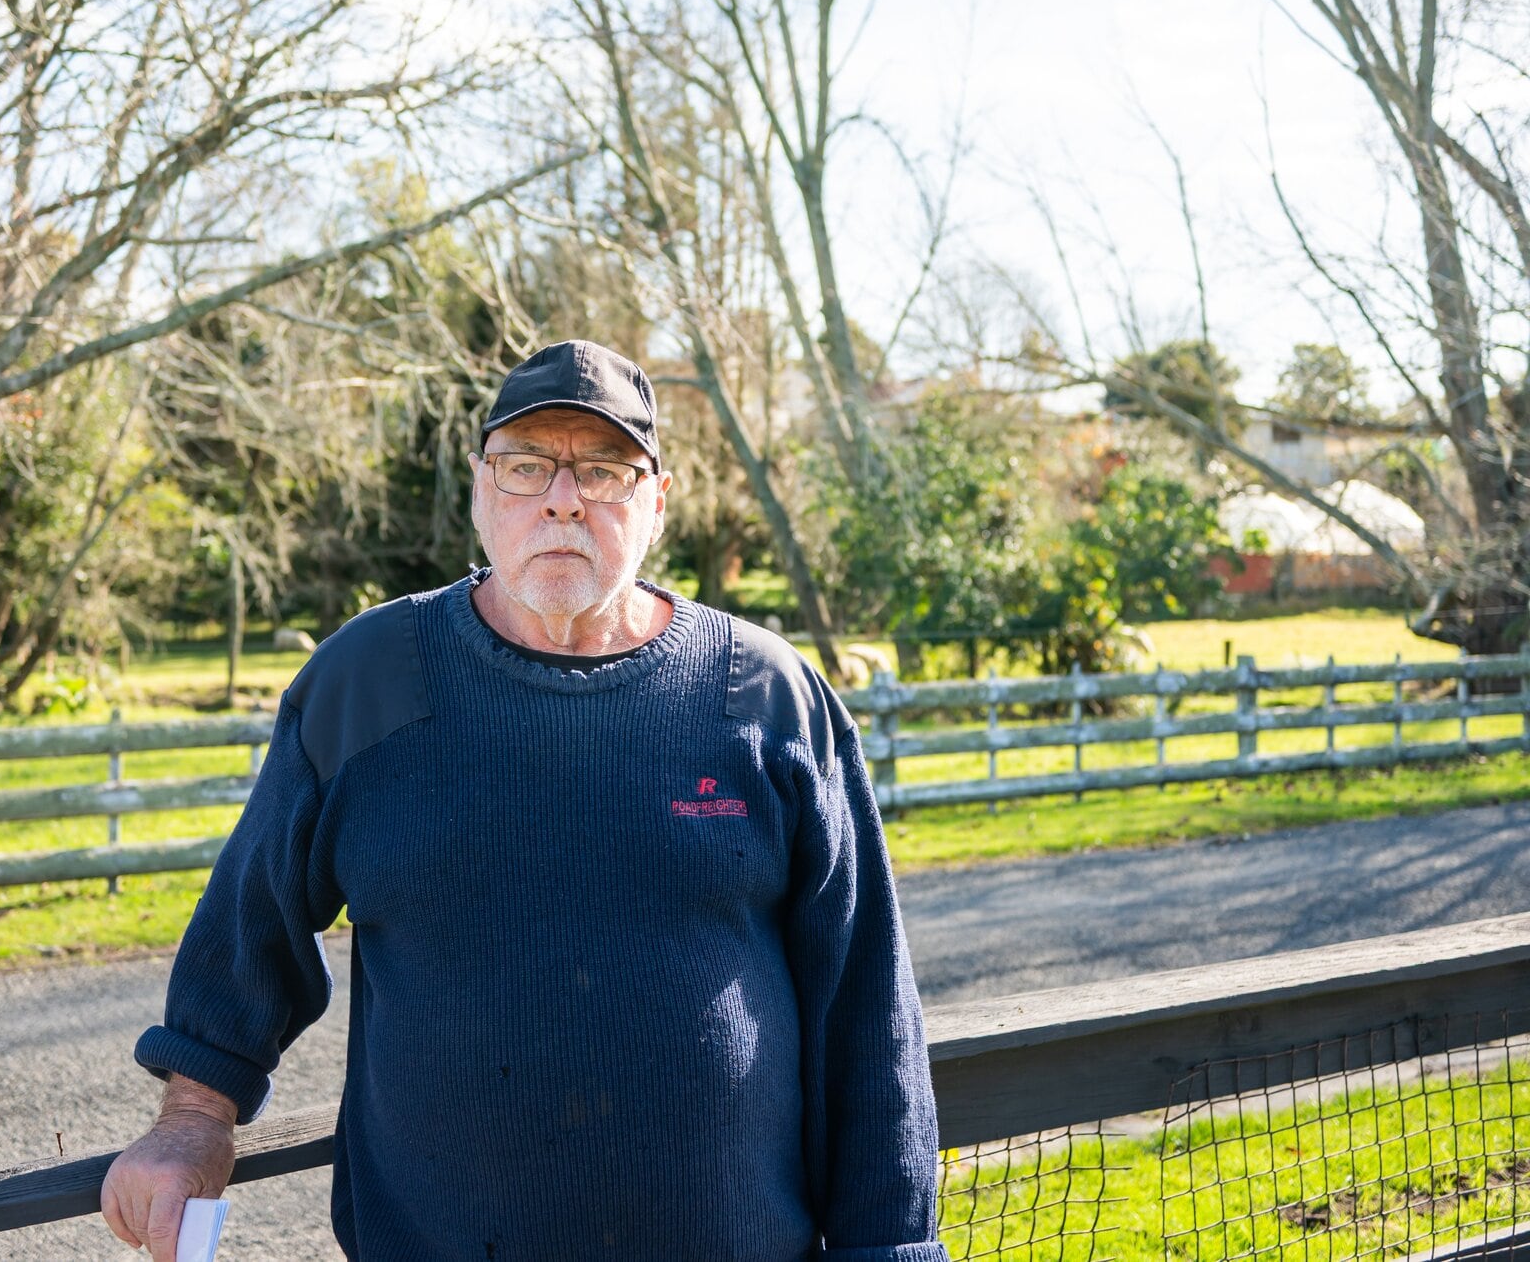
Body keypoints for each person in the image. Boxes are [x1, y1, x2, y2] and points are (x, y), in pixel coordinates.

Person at [100, 339, 949, 1261]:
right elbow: (249, 922)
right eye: (526, 465)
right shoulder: (366, 682)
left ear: (656, 503)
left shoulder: (767, 696)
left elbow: (867, 1012)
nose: (561, 496)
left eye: (604, 469)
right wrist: (193, 1116)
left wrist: (892, 1248)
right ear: (479, 491)